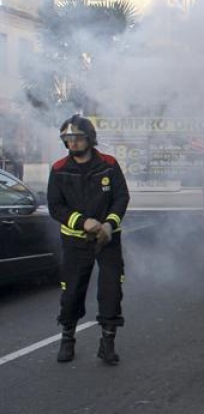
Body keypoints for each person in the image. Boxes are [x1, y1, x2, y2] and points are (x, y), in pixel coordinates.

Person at [47, 115, 129, 364]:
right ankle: (67, 339)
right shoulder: (59, 169)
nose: (72, 143)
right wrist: (83, 222)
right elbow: (55, 207)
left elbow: (121, 198)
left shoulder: (109, 164)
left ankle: (107, 343)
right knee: (71, 292)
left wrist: (108, 224)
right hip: (75, 243)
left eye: (77, 138)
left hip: (108, 241)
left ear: (90, 138)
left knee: (111, 290)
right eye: (67, 139)